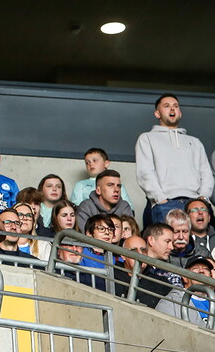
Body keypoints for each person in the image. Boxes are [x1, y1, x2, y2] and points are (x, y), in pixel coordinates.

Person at [136, 93, 213, 223]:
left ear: (180, 112)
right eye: (166, 106)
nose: (172, 109)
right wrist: (160, 198)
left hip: (196, 203)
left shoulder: (195, 142)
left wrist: (203, 198)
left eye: (175, 106)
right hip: (166, 203)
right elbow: (145, 172)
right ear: (157, 114)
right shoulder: (146, 138)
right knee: (168, 243)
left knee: (205, 242)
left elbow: (206, 173)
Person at [155, 255, 213, 327]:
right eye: (195, 268)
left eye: (206, 269)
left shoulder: (213, 300)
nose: (201, 271)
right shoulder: (171, 302)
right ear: (185, 277)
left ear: (211, 276)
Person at [69, 148, 134, 207]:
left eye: (94, 160)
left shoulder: (117, 185)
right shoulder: (80, 185)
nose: (91, 164)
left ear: (106, 163)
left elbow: (129, 207)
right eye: (87, 163)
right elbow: (76, 207)